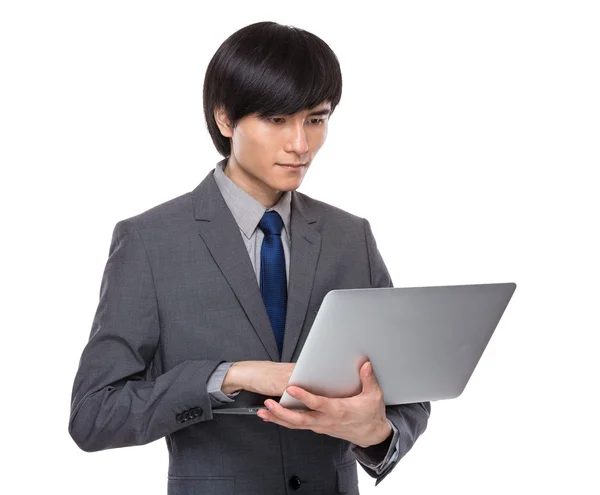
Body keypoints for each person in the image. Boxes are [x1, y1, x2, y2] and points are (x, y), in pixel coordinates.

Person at [69, 21, 430, 494]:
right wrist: (230, 376)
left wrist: (376, 434)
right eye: (277, 120)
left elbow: (405, 393)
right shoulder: (149, 241)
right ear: (225, 118)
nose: (300, 144)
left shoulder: (351, 237)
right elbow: (94, 414)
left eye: (315, 120)